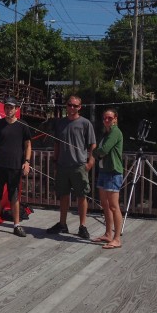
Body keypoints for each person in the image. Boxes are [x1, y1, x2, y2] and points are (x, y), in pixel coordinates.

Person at [47, 95, 96, 239]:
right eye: (70, 105)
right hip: (62, 165)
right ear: (66, 106)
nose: (72, 108)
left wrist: (90, 162)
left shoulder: (85, 123)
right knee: (63, 195)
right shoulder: (60, 123)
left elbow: (92, 144)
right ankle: (62, 224)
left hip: (79, 165)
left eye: (75, 105)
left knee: (82, 196)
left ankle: (82, 226)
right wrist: (55, 162)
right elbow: (56, 144)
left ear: (80, 107)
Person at [0, 97, 32, 237]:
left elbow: (28, 145)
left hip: (15, 166)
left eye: (11, 107)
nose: (8, 110)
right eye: (6, 107)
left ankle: (17, 225)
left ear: (16, 109)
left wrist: (27, 162)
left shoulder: (23, 125)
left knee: (14, 197)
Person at [92, 109, 124, 249]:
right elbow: (101, 150)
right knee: (105, 204)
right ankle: (108, 234)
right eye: (105, 118)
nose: (107, 120)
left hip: (113, 172)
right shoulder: (106, 133)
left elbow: (103, 150)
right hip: (104, 171)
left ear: (115, 119)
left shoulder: (115, 132)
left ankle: (117, 238)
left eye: (109, 118)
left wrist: (94, 152)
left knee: (113, 206)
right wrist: (97, 152)